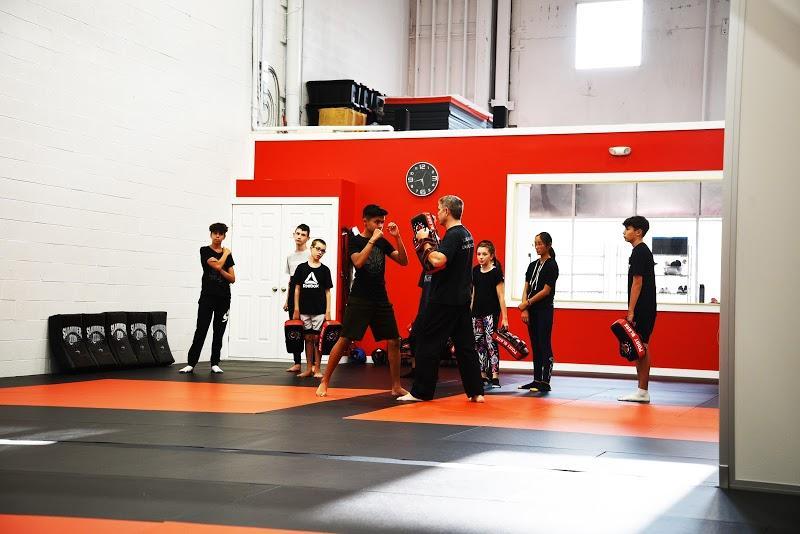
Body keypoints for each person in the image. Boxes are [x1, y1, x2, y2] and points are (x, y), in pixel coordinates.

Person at [316, 204, 409, 397]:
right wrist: (372, 241)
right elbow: (358, 262)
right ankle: (325, 381)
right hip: (359, 298)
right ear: (365, 221)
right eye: (377, 222)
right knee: (345, 339)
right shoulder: (355, 241)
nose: (380, 226)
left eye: (382, 222)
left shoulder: (382, 241)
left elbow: (403, 261)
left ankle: (396, 386)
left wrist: (397, 237)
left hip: (380, 298)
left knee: (394, 340)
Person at [398, 195, 485, 402]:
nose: (437, 214)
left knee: (425, 341)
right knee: (465, 347)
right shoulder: (466, 234)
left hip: (444, 299)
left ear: (446, 211)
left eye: (439, 209)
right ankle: (476, 392)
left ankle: (421, 392)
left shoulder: (454, 235)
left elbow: (437, 261)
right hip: (462, 299)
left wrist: (424, 241)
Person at [180, 223, 236, 374]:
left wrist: (220, 266)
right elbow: (217, 266)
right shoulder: (204, 250)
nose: (217, 236)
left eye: (220, 233)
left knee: (219, 331)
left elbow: (232, 278)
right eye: (215, 233)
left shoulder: (227, 255)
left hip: (224, 297)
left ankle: (215, 363)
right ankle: (191, 363)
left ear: (224, 236)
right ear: (210, 234)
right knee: (201, 329)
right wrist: (224, 256)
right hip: (207, 296)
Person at [618, 216, 656, 403]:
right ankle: (641, 390)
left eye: (628, 229)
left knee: (641, 347)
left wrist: (631, 311)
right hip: (644, 307)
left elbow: (637, 283)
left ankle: (643, 391)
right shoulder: (639, 251)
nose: (624, 232)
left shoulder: (640, 252)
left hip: (643, 308)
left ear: (638, 232)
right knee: (638, 346)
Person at [517, 232, 558, 392]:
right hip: (532, 311)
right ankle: (536, 379)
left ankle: (545, 381)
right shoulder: (532, 265)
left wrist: (527, 303)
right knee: (535, 344)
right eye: (535, 243)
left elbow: (546, 291)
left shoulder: (552, 265)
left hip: (544, 310)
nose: (537, 246)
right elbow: (526, 287)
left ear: (548, 245)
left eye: (540, 243)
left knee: (544, 343)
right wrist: (525, 308)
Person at [292, 239, 333, 378]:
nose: (320, 252)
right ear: (311, 248)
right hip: (304, 309)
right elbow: (297, 289)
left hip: (319, 310)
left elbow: (328, 292)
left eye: (323, 251)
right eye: (318, 249)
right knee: (308, 338)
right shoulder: (301, 268)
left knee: (317, 339)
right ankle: (309, 368)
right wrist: (296, 309)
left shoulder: (325, 270)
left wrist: (328, 311)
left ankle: (318, 369)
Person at [471, 240, 508, 388]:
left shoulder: (496, 272)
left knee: (490, 343)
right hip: (476, 313)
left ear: (491, 256)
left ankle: (495, 375)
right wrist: (470, 312)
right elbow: (473, 294)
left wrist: (505, 318)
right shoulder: (475, 271)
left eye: (484, 254)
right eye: (479, 254)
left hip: (491, 313)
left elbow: (501, 296)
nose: (481, 257)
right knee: (479, 343)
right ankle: (482, 374)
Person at [283, 224, 311, 372]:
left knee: (309, 331)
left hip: (308, 292)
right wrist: (287, 300)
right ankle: (297, 363)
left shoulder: (310, 255)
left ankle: (312, 364)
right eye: (297, 233)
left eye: (303, 234)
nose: (299, 237)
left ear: (308, 238)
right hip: (293, 294)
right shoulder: (290, 257)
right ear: (294, 235)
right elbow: (291, 281)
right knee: (295, 329)